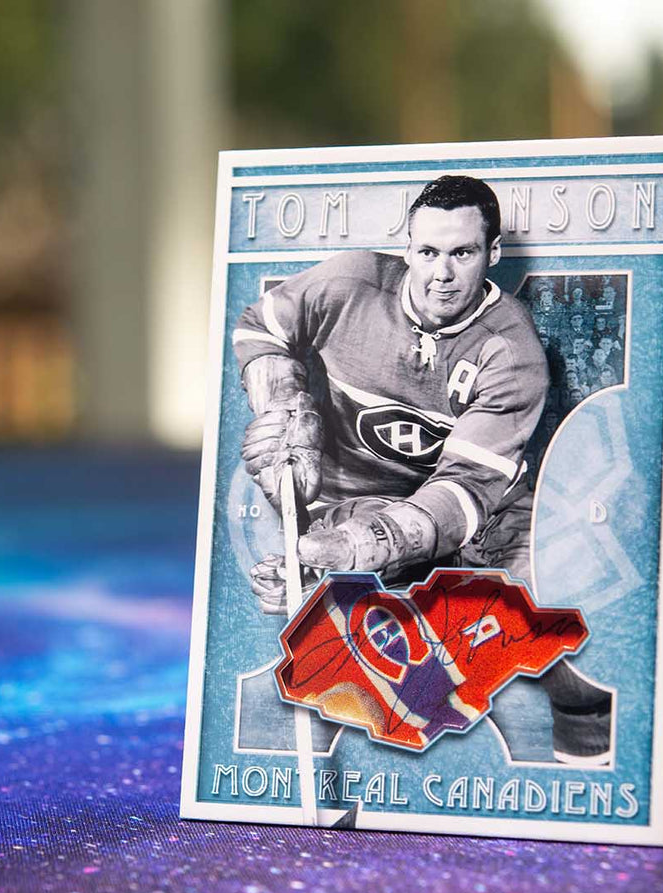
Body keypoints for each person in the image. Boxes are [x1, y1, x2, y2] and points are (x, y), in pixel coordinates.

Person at [231, 174, 612, 766]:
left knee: (562, 627)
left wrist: (364, 546)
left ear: (493, 253)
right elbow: (259, 327)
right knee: (282, 629)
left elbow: (464, 491)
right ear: (406, 248)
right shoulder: (347, 282)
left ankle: (587, 743)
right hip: (345, 499)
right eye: (428, 252)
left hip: (476, 515)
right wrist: (285, 403)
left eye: (462, 253)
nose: (442, 273)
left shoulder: (511, 351)